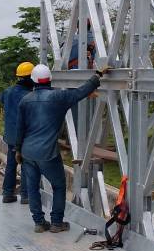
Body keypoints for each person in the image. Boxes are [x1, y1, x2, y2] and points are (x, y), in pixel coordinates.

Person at [16, 62, 107, 233]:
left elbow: (20, 129)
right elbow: (82, 91)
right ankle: (57, 222)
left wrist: (18, 150)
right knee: (58, 185)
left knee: (33, 187)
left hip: (28, 152)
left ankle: (39, 223)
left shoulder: (25, 100)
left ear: (34, 81)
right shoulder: (59, 97)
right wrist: (97, 76)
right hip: (47, 153)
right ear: (49, 79)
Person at [0, 61, 35, 204]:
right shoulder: (28, 96)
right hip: (25, 137)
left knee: (11, 165)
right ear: (29, 78)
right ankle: (25, 195)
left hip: (10, 136)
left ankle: (8, 193)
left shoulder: (7, 92)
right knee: (26, 166)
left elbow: (1, 98)